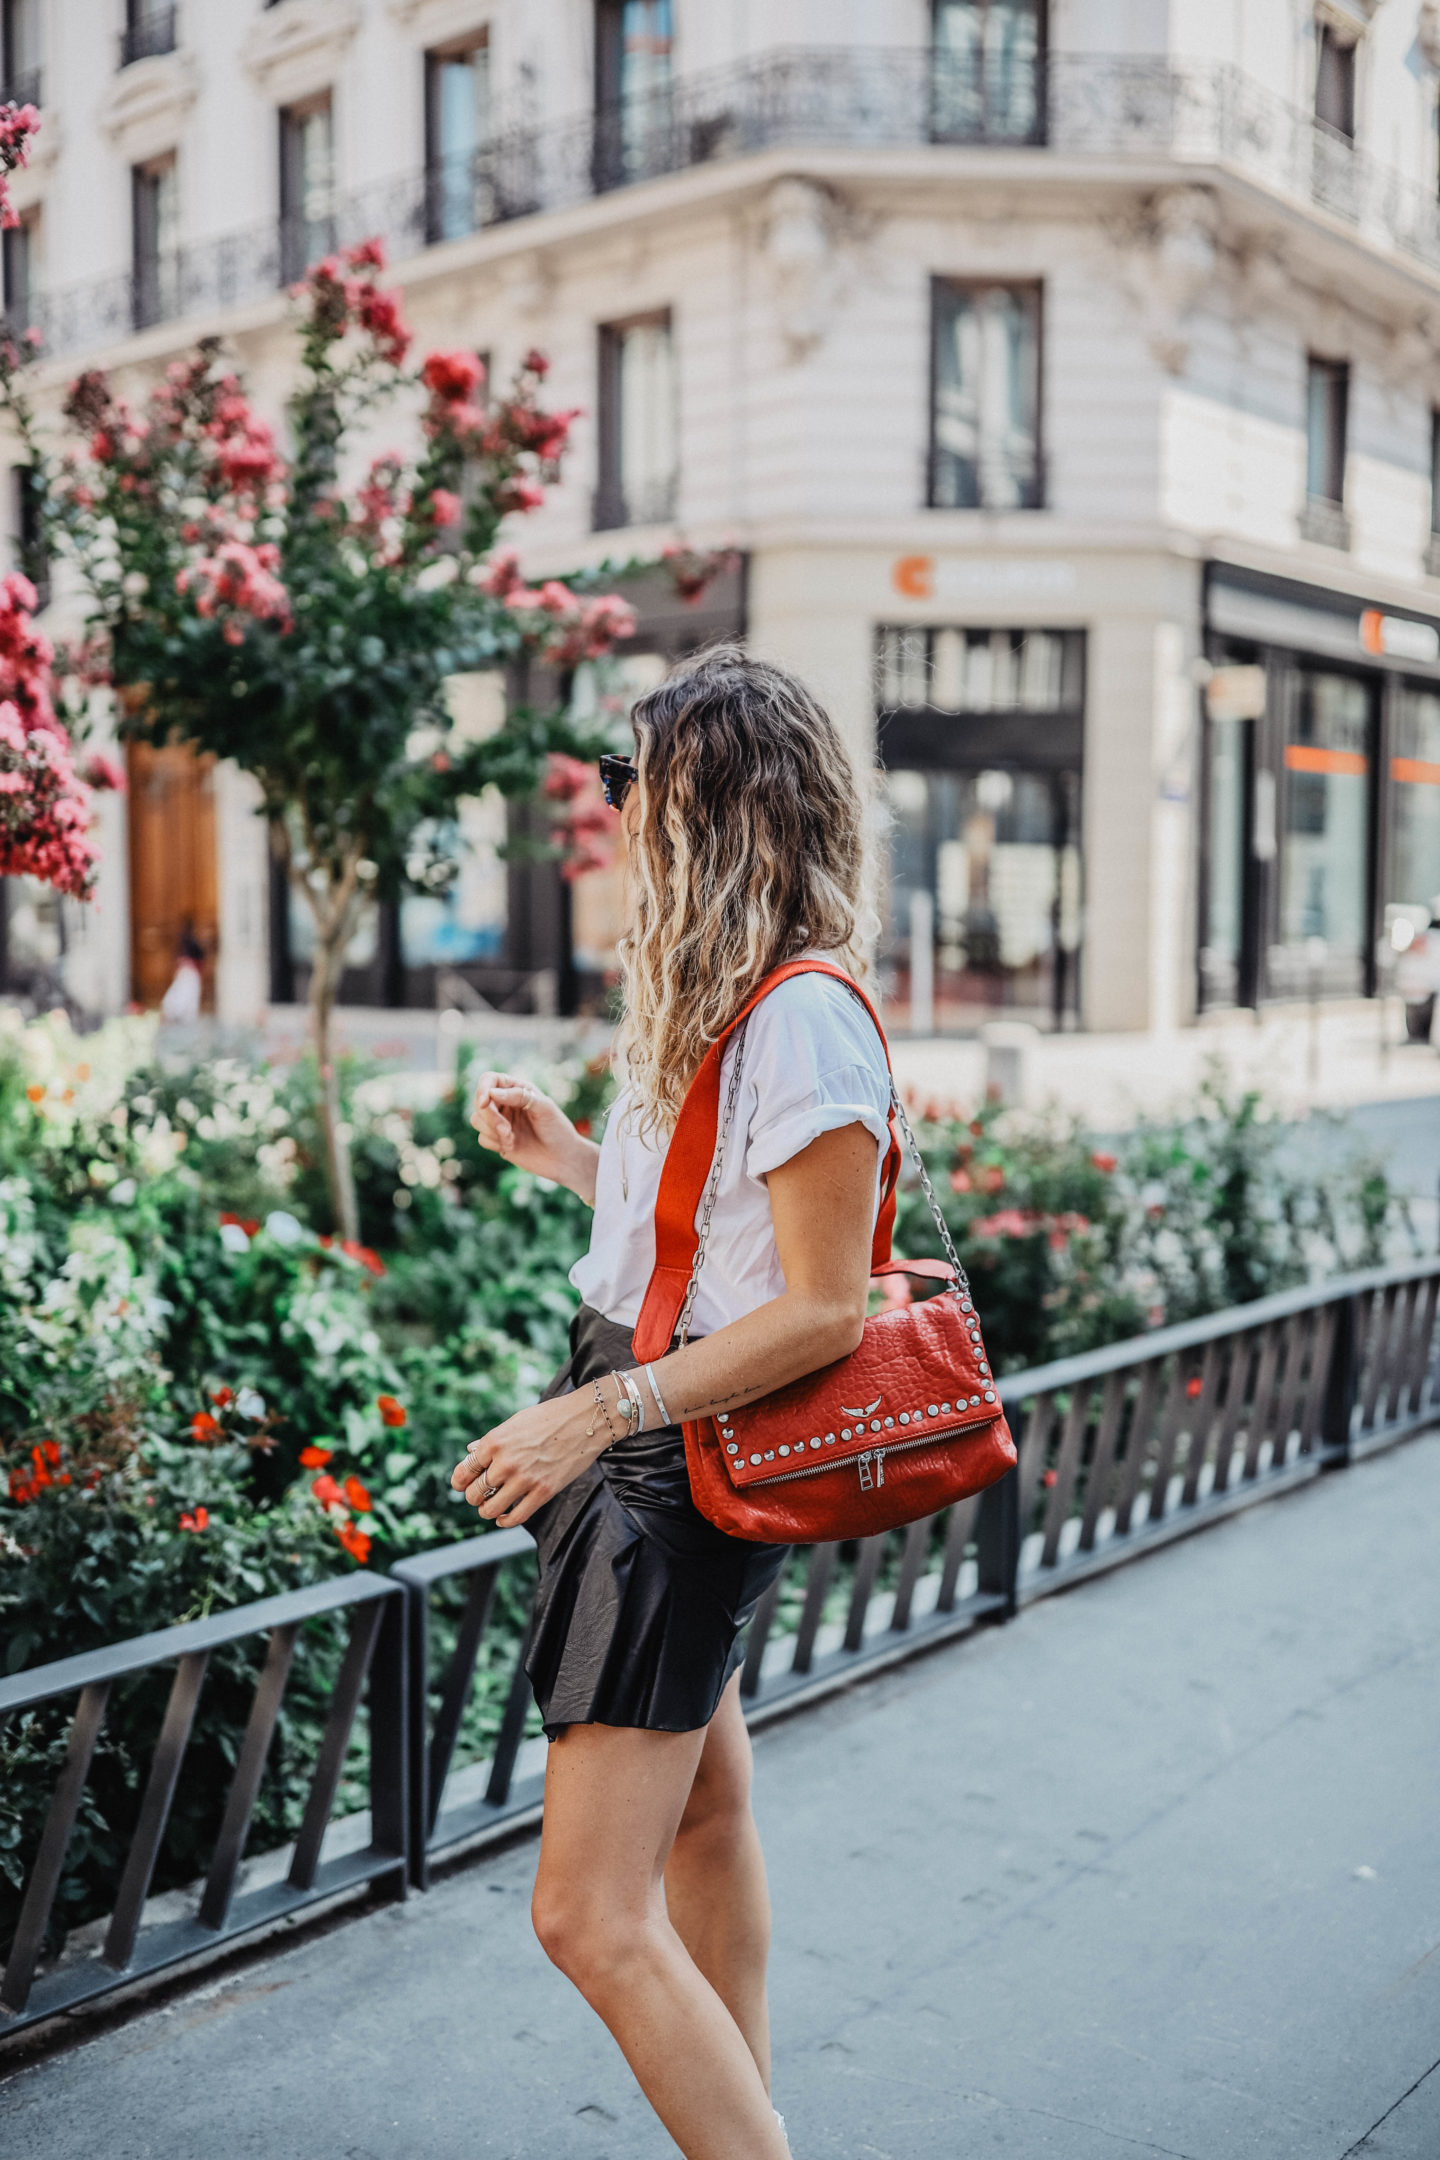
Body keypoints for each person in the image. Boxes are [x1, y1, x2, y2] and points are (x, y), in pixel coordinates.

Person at [451, 646, 894, 2160]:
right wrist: (576, 1159)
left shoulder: (803, 1019)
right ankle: (748, 2118)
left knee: (584, 1912)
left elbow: (823, 1305)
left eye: (633, 777)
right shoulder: (717, 997)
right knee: (704, 1819)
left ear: (714, 801)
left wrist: (596, 1416)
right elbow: (714, 1242)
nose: (614, 808)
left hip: (664, 1467)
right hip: (645, 1433)